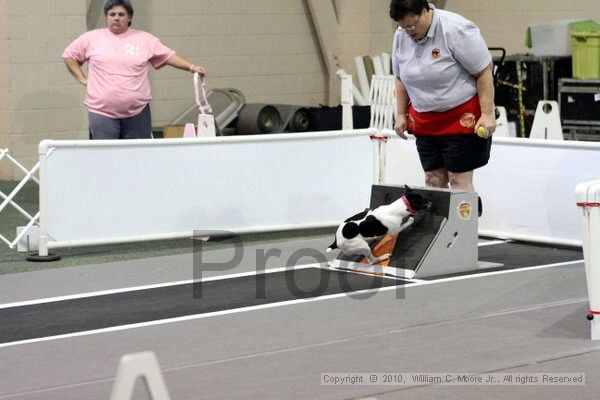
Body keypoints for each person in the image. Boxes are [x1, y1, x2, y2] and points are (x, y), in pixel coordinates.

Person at [390, 0, 495, 192]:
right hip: (425, 120)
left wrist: (487, 114)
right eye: (402, 27)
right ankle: (441, 223)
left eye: (412, 25)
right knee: (433, 179)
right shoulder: (401, 35)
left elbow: (484, 71)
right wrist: (399, 115)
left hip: (461, 117)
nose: (408, 32)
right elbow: (400, 78)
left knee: (458, 181)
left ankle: (465, 220)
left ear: (425, 11)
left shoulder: (456, 29)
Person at [62, 0, 207, 140]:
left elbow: (168, 56)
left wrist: (191, 67)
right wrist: (81, 78)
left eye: (121, 14)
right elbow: (69, 56)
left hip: (137, 113)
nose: (116, 18)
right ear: (106, 17)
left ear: (129, 17)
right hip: (101, 112)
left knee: (137, 157)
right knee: (105, 157)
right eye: (112, 14)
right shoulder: (91, 38)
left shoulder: (144, 39)